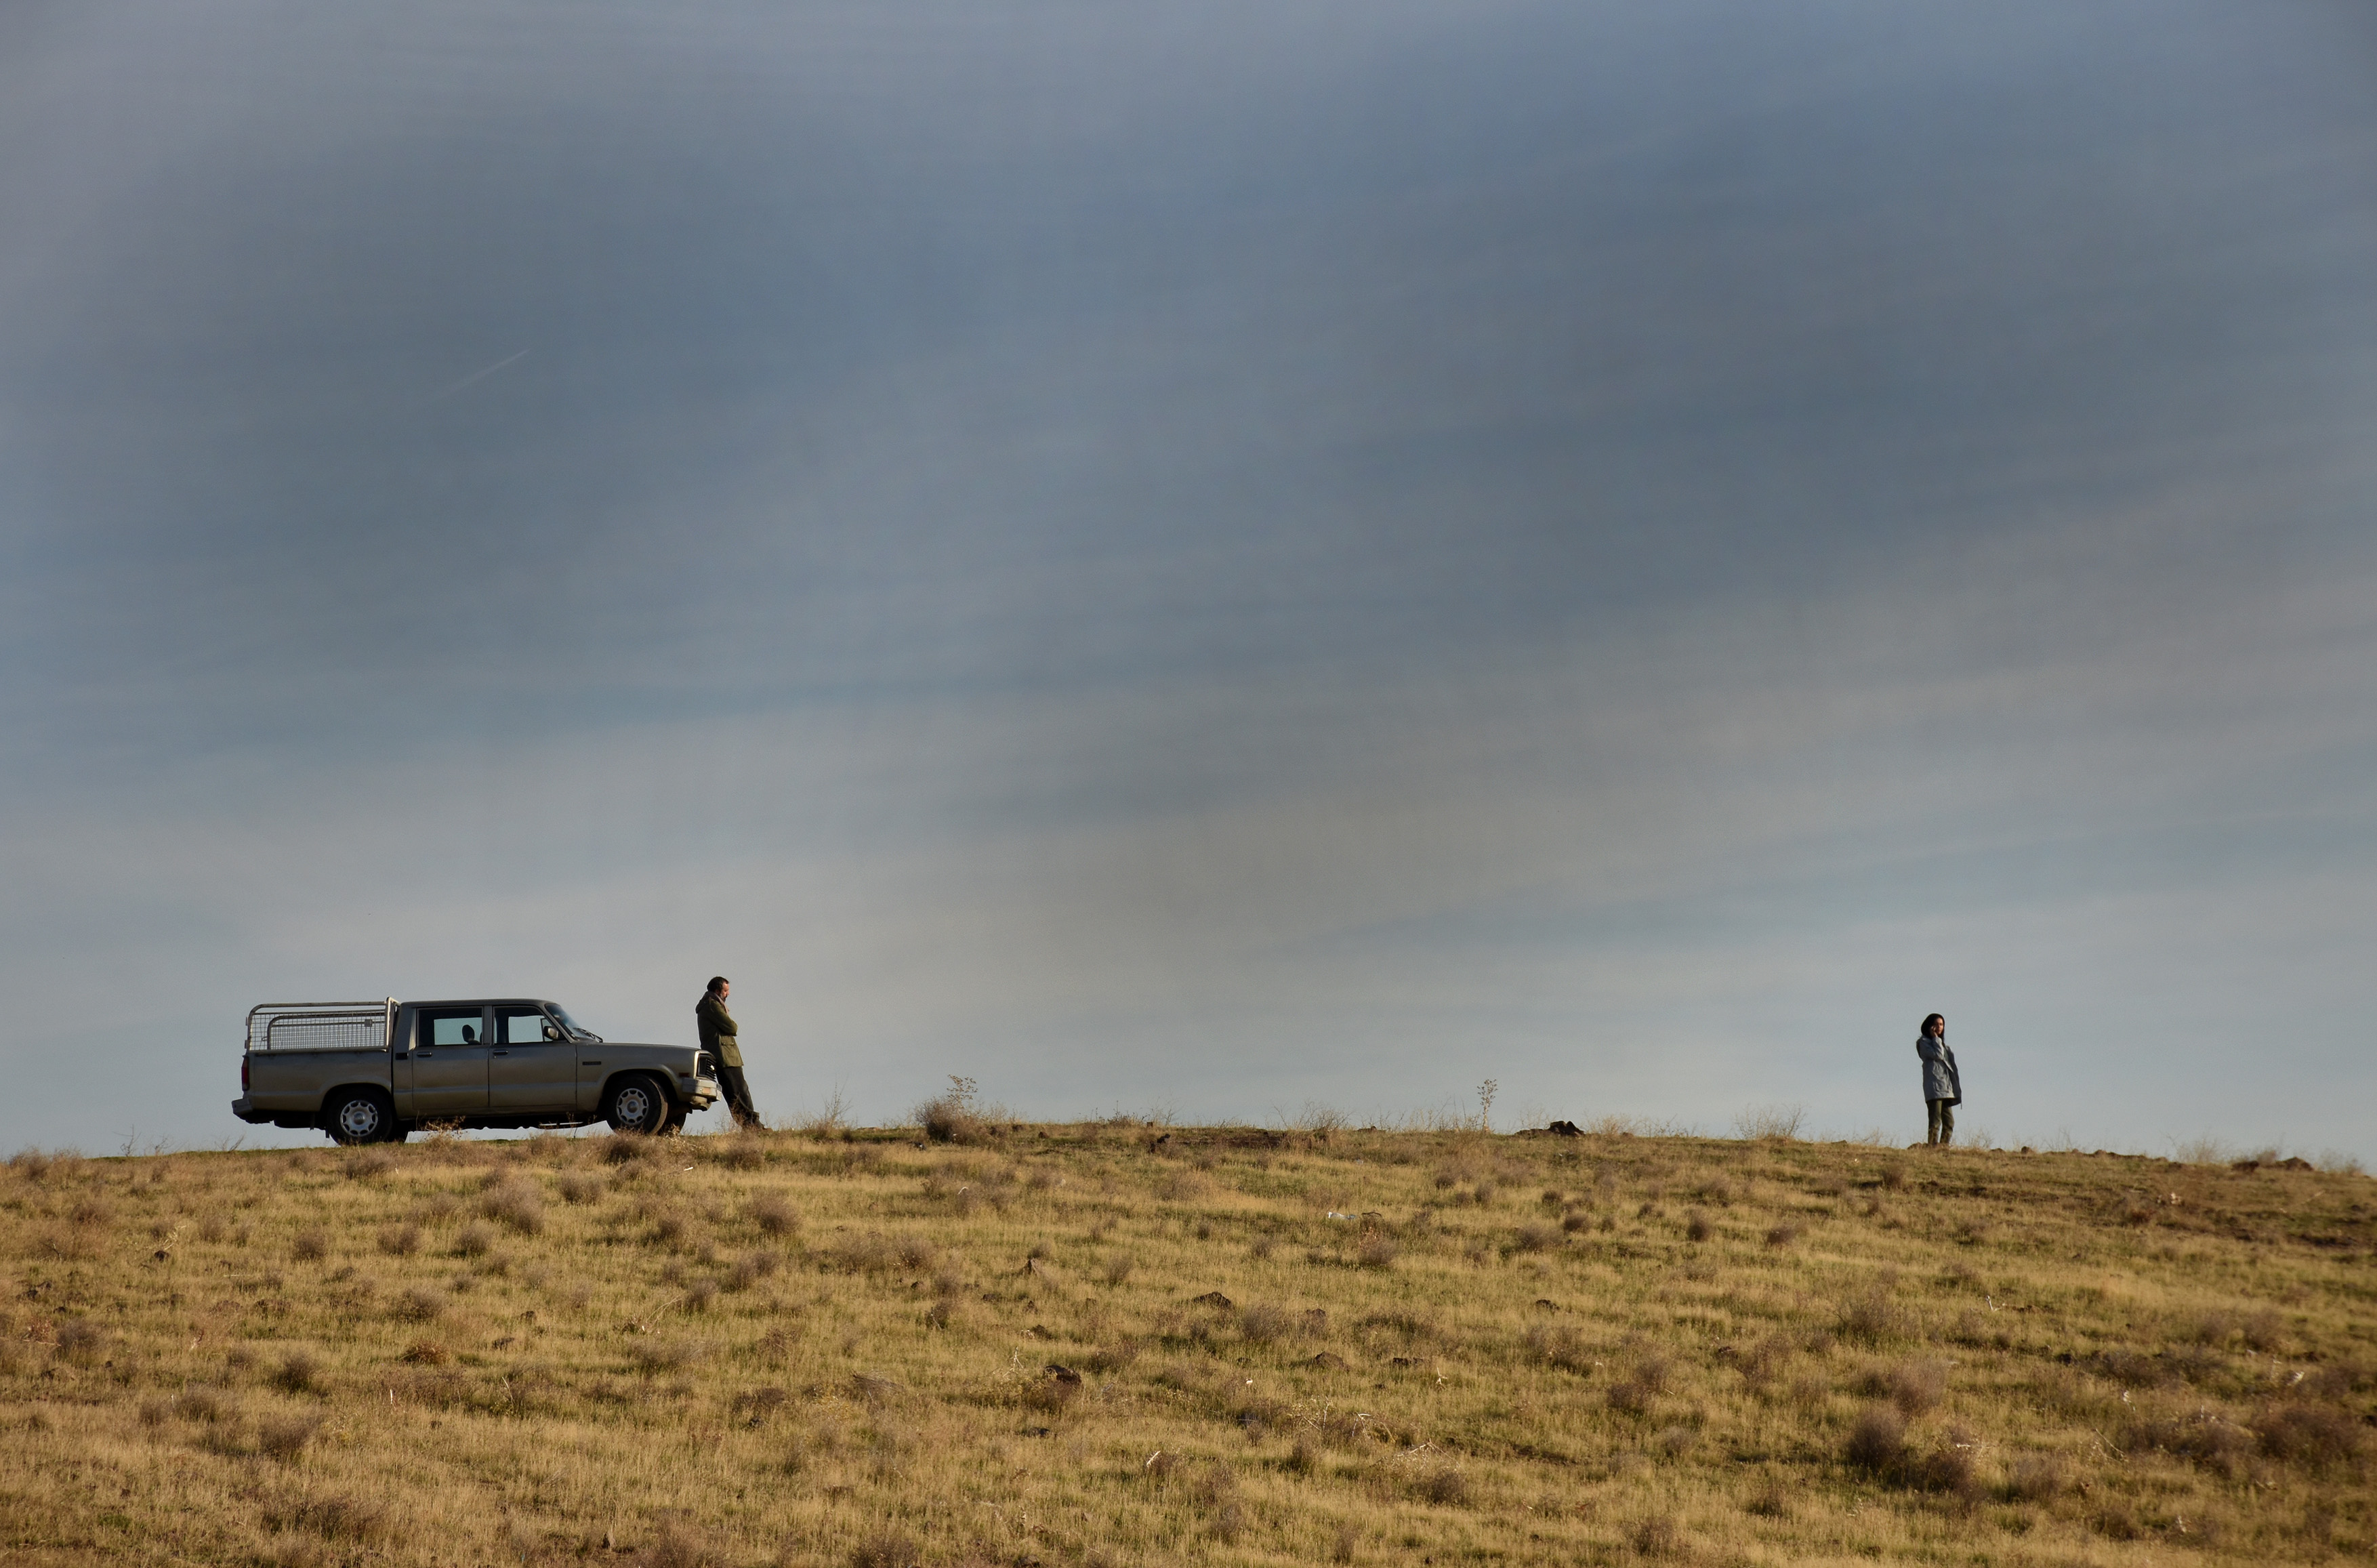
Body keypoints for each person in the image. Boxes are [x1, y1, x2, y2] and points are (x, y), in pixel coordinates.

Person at [697, 976, 762, 1130]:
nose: (728, 994)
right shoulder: (712, 1006)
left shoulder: (709, 1005)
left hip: (725, 1055)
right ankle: (752, 1125)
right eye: (726, 991)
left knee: (737, 1091)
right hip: (725, 1056)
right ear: (718, 991)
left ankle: (752, 1124)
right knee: (738, 1092)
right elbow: (732, 1028)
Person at [1916, 1012, 1960, 1147]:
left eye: (1941, 1024)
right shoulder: (1924, 1043)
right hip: (1934, 1088)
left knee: (1949, 1122)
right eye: (1936, 1024)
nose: (1939, 1027)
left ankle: (1943, 1147)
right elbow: (1938, 1055)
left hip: (1946, 1089)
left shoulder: (1943, 1046)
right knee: (1935, 1121)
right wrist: (1935, 1038)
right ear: (1929, 1026)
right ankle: (1932, 1146)